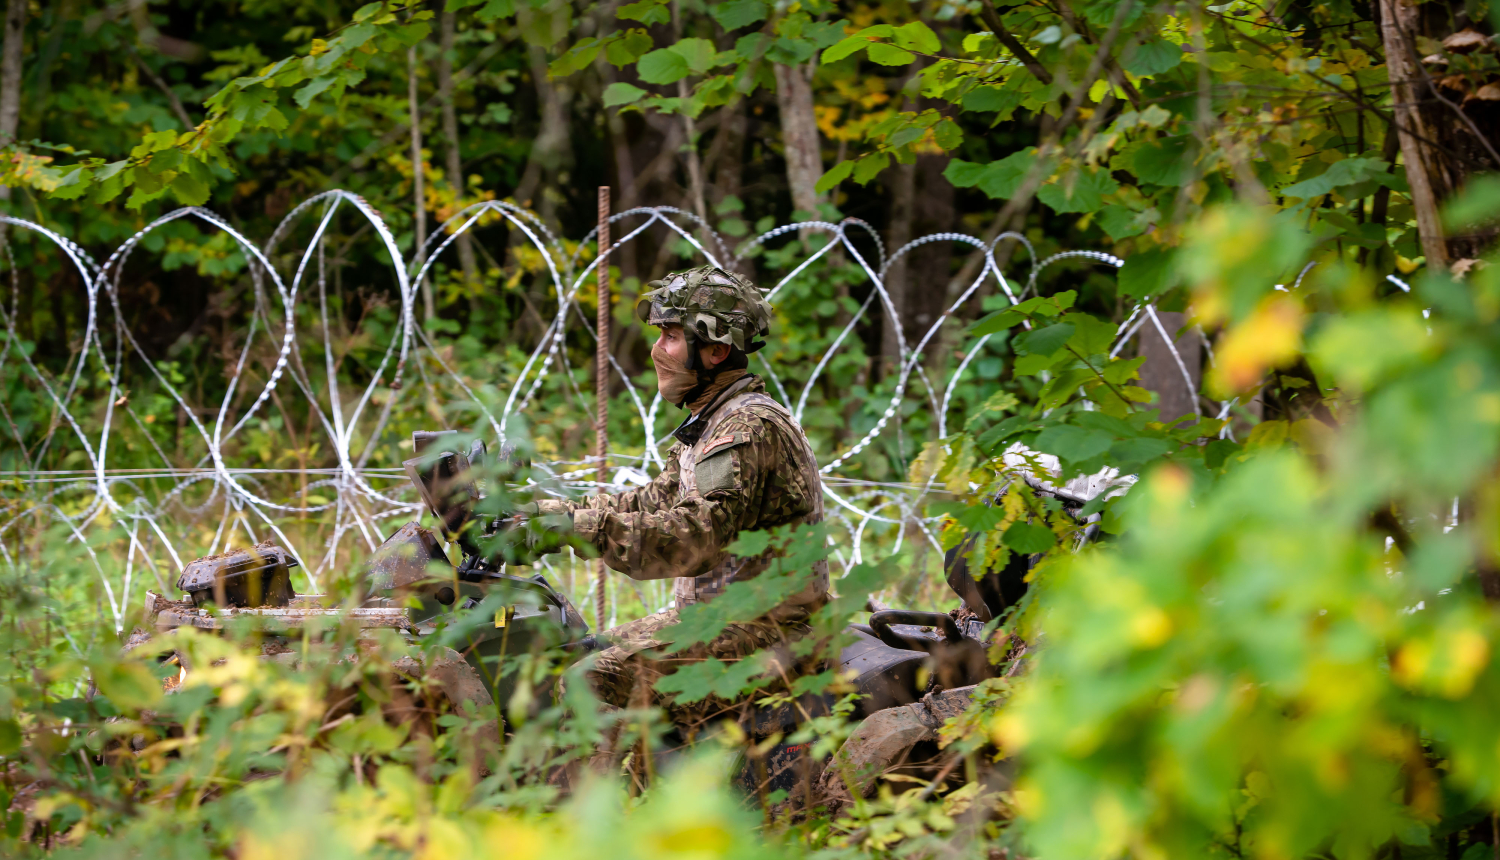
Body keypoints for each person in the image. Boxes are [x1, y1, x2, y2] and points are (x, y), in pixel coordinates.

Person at [519, 264, 828, 727]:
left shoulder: (745, 428)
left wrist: (576, 528)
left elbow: (694, 538)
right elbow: (654, 501)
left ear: (716, 350)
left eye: (669, 336)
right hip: (719, 623)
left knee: (590, 681)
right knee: (575, 653)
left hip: (769, 635)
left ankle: (621, 799)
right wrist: (550, 514)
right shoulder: (712, 422)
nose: (656, 350)